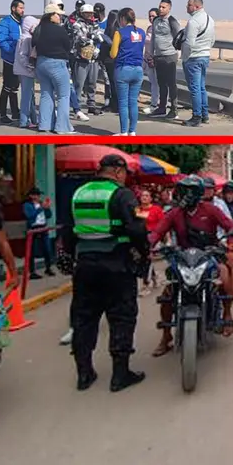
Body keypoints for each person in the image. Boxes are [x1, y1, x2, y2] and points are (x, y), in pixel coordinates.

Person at [60, 154, 149, 392]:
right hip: (117, 264)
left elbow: (68, 229)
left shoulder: (78, 193)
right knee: (122, 317)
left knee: (84, 319)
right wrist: (144, 255)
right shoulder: (123, 195)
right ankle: (120, 376)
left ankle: (84, 374)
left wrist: (70, 256)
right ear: (119, 172)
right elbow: (136, 229)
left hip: (85, 266)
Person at [151, 176, 233, 354]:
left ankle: (227, 314)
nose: (183, 195)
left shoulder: (211, 209)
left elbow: (229, 226)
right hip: (182, 257)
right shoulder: (175, 213)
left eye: (187, 192)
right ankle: (166, 335)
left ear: (196, 194)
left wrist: (232, 241)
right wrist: (148, 244)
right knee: (168, 292)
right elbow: (159, 231)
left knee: (224, 276)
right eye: (181, 191)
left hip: (208, 254)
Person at [32, 5, 75, 134]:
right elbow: (68, 46)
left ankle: (44, 125)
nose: (60, 17)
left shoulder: (38, 29)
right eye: (58, 14)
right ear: (51, 15)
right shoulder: (59, 30)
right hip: (57, 64)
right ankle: (62, 127)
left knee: (46, 94)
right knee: (63, 95)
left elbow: (33, 45)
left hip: (41, 64)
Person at [108, 8, 146, 136]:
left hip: (123, 69)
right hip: (138, 69)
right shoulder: (141, 32)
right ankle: (132, 131)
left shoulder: (120, 32)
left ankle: (123, 131)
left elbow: (113, 54)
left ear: (123, 18)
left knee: (123, 103)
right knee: (133, 102)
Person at [182, 0, 216, 127]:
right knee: (201, 87)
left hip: (194, 57)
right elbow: (213, 40)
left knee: (195, 88)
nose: (187, 7)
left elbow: (189, 43)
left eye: (189, 5)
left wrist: (185, 57)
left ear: (197, 6)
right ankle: (205, 115)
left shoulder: (193, 22)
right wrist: (205, 50)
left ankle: (196, 117)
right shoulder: (210, 19)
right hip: (204, 56)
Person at [146, 0, 182, 118]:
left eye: (163, 7)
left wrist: (177, 53)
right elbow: (153, 38)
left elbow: (179, 37)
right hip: (158, 56)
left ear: (169, 8)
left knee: (171, 83)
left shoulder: (172, 21)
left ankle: (174, 109)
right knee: (161, 83)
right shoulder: (156, 21)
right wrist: (151, 53)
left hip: (170, 55)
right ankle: (162, 108)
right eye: (160, 7)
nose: (161, 9)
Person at [70, 3, 106, 118]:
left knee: (92, 83)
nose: (90, 15)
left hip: (93, 58)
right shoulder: (77, 24)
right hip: (81, 58)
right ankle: (77, 107)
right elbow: (80, 38)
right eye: (87, 13)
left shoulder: (95, 24)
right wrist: (92, 37)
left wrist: (93, 39)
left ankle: (91, 105)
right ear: (82, 13)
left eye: (91, 13)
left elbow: (100, 36)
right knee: (79, 84)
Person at [0, 0, 23, 124]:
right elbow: (1, 40)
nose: (23, 10)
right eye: (20, 8)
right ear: (13, 8)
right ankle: (3, 115)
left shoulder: (21, 22)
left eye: (23, 8)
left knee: (15, 87)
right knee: (7, 86)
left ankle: (15, 112)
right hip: (10, 60)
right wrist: (12, 51)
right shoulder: (6, 22)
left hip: (19, 60)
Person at [135, 188, 165, 296]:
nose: (144, 197)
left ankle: (146, 284)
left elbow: (163, 224)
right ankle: (155, 278)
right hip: (140, 237)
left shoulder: (156, 209)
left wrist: (166, 238)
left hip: (153, 236)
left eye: (147, 195)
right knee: (145, 259)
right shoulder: (138, 210)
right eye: (143, 195)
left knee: (148, 259)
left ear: (151, 198)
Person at [13, 14, 40, 129]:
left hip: (25, 71)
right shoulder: (25, 39)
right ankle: (24, 121)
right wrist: (29, 66)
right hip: (25, 71)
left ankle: (34, 119)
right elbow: (22, 56)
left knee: (30, 96)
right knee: (26, 97)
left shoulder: (26, 37)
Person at [22, 187, 54, 279]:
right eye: (36, 195)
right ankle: (32, 272)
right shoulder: (27, 205)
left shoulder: (41, 203)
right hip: (33, 228)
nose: (38, 196)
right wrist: (40, 208)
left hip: (43, 227)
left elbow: (49, 215)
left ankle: (48, 268)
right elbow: (29, 215)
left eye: (39, 195)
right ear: (31, 196)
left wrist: (47, 208)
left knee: (47, 249)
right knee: (31, 251)